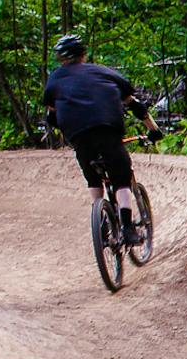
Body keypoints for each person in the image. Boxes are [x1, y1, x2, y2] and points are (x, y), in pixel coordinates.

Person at [41, 34, 160, 240]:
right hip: (108, 130)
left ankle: (101, 223)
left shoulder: (55, 80)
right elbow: (136, 106)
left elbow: (52, 117)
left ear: (60, 59)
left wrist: (70, 134)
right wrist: (154, 130)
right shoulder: (104, 73)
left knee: (93, 178)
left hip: (78, 136)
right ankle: (128, 228)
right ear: (84, 54)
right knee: (121, 178)